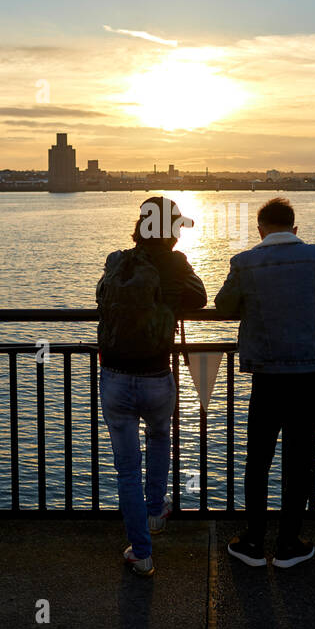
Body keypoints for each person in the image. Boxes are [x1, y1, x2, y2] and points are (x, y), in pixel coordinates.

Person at [215, 197, 315, 568]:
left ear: (260, 229)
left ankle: (252, 542)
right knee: (299, 458)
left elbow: (222, 306)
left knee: (259, 458)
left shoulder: (245, 262)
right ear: (295, 229)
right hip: (311, 374)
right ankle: (289, 544)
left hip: (268, 377)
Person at [96, 196, 206, 576]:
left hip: (113, 375)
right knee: (160, 437)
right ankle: (157, 509)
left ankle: (141, 553)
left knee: (127, 470)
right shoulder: (174, 263)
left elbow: (101, 300)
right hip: (157, 374)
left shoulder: (118, 260)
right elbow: (201, 297)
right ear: (171, 229)